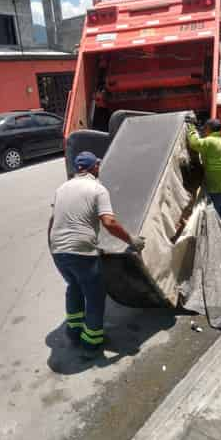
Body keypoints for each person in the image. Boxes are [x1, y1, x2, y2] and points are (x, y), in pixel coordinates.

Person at [48, 151, 145, 358]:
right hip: (80, 252)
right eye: (97, 166)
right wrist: (131, 240)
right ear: (94, 168)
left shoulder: (62, 188)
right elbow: (109, 222)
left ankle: (73, 331)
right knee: (94, 295)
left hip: (58, 249)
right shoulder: (97, 189)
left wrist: (56, 246)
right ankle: (92, 341)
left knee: (74, 286)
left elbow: (53, 220)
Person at [187, 118, 221, 234]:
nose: (203, 129)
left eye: (205, 127)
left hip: (217, 189)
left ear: (209, 129)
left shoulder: (210, 142)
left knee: (211, 221)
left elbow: (194, 143)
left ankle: (214, 244)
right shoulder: (219, 141)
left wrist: (191, 129)